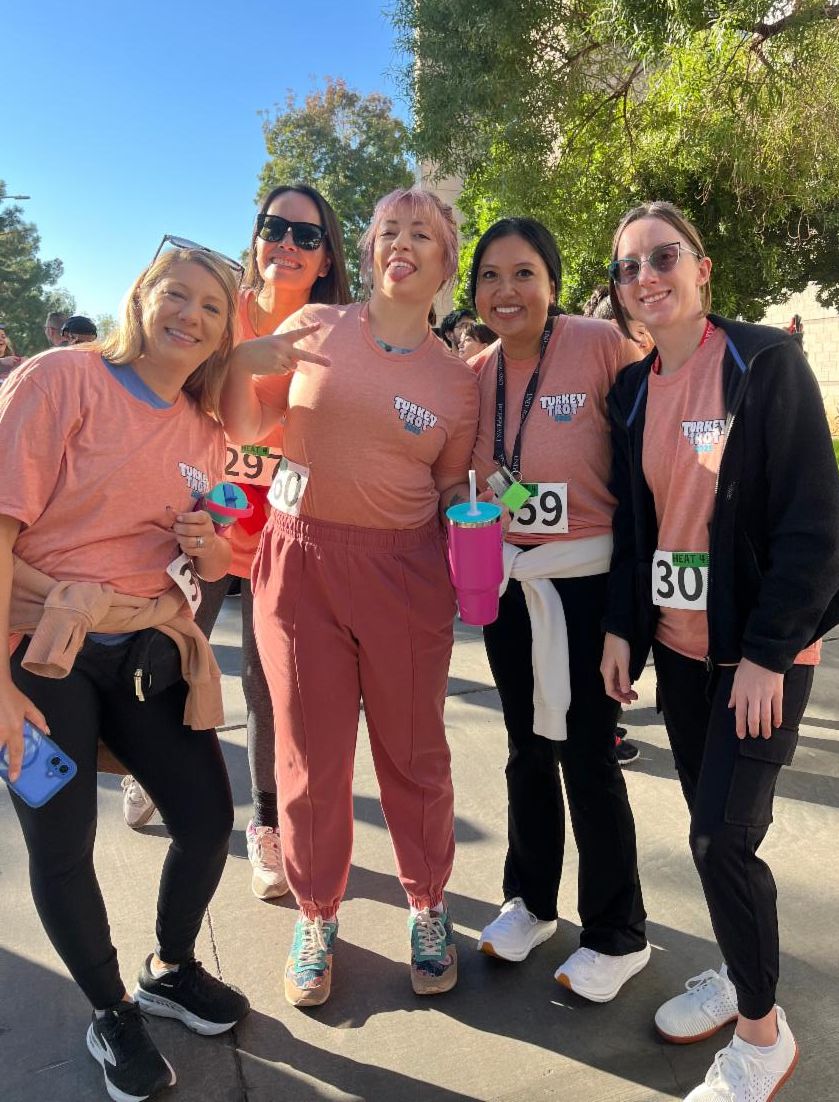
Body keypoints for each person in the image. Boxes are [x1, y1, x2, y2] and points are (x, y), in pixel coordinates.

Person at [0, 243, 251, 1102]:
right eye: (174, 294)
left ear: (224, 332)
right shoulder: (59, 378)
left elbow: (212, 556)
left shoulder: (206, 430)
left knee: (208, 817)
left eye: (212, 308)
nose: (190, 315)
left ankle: (170, 969)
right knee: (62, 843)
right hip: (40, 646)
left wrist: (213, 551)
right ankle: (111, 1013)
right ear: (140, 297)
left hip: (144, 643)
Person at [601, 200, 839, 1102]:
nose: (646, 277)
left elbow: (815, 525)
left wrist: (769, 654)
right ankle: (740, 974)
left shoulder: (764, 362)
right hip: (681, 651)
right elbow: (636, 527)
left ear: (700, 268)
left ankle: (761, 1033)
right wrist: (624, 629)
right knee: (718, 833)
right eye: (627, 267)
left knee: (719, 839)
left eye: (663, 257)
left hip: (760, 658)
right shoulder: (630, 391)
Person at [221, 187, 478, 1007]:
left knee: (412, 755)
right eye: (387, 233)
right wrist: (235, 365)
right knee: (308, 760)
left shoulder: (457, 382)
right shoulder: (314, 329)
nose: (402, 244)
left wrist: (490, 509)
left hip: (405, 575)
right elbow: (241, 428)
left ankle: (428, 905)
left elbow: (451, 492)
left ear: (445, 261)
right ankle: (317, 914)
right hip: (296, 565)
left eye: (423, 235)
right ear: (367, 252)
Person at [120, 187, 352, 909]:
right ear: (254, 239)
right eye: (273, 227)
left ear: (324, 258)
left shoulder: (338, 327)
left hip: (288, 530)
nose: (286, 242)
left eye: (304, 235)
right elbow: (168, 385)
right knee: (165, 649)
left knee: (267, 685)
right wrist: (241, 357)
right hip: (203, 520)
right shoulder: (219, 308)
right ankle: (145, 766)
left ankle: (266, 823)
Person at [459, 217, 649, 999]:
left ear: (553, 283)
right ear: (474, 293)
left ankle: (616, 932)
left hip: (588, 582)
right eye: (491, 277)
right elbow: (462, 481)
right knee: (522, 748)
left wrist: (626, 614)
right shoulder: (473, 376)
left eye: (524, 273)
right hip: (510, 586)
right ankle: (530, 901)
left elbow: (647, 468)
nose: (507, 291)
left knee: (587, 752)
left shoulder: (600, 346)